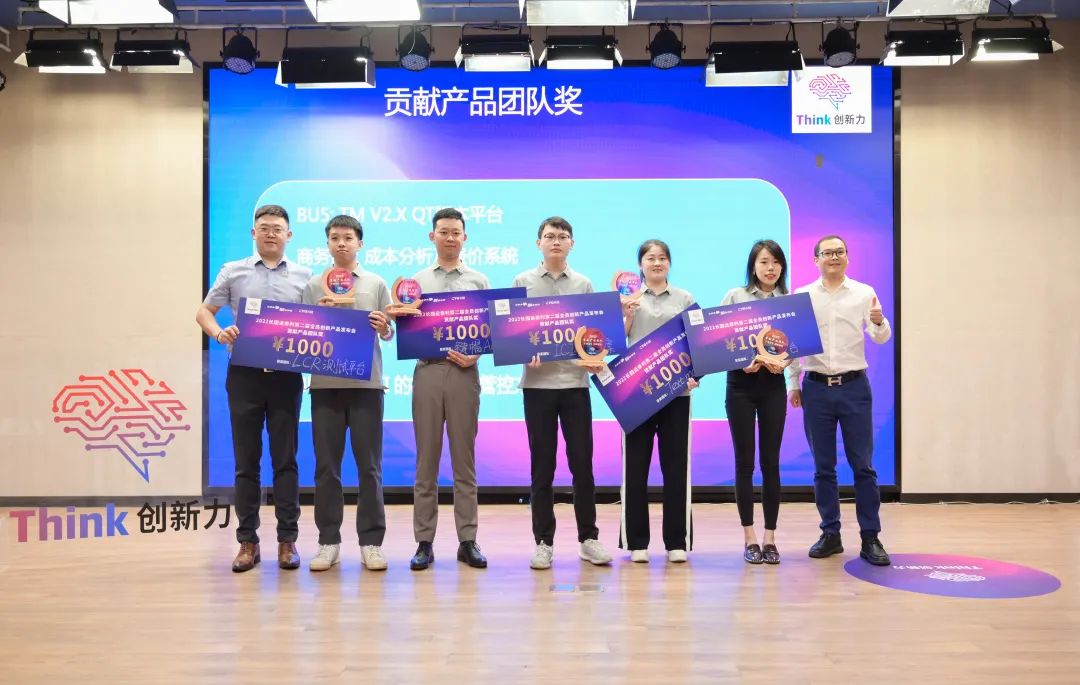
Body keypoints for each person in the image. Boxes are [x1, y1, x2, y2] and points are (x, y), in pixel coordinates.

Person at [196, 205, 312, 573]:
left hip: (286, 378)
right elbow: (204, 311)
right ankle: (247, 541)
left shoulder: (305, 276)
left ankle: (287, 540)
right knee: (246, 462)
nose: (271, 233)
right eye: (264, 227)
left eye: (277, 228)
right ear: (253, 233)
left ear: (288, 235)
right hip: (244, 375)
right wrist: (219, 333)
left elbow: (317, 323)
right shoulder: (234, 271)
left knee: (285, 461)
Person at [512, 216, 612, 570]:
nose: (556, 241)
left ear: (572, 243)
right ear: (538, 242)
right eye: (550, 236)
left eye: (563, 236)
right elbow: (512, 332)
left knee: (582, 465)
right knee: (542, 468)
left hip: (575, 385)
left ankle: (588, 539)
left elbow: (595, 333)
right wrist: (524, 350)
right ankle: (543, 542)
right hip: (537, 387)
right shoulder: (522, 282)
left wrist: (595, 356)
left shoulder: (584, 284)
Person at [786, 235, 892, 566]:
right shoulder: (802, 295)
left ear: (847, 257)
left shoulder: (863, 292)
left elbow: (881, 336)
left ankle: (870, 537)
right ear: (815, 259)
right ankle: (830, 533)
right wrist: (793, 383)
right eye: (827, 253)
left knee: (863, 465)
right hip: (816, 387)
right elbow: (794, 345)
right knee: (823, 466)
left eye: (840, 252)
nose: (834, 257)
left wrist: (879, 321)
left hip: (854, 387)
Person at [301, 215, 394, 573]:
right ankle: (329, 542)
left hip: (367, 386)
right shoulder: (313, 285)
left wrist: (384, 326)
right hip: (325, 385)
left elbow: (389, 332)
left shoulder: (376, 283)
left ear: (360, 243)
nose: (342, 243)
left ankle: (371, 542)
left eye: (348, 238)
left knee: (370, 468)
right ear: (327, 243)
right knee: (327, 468)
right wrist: (318, 318)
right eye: (335, 238)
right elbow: (303, 333)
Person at [406, 208, 490, 571]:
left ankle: (467, 540)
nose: (450, 237)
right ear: (432, 236)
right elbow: (408, 326)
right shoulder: (416, 282)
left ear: (464, 237)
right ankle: (424, 541)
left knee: (464, 461)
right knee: (426, 461)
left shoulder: (479, 281)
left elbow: (491, 329)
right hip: (427, 371)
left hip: (464, 374)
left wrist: (477, 353)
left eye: (456, 232)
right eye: (444, 231)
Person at [620, 239, 697, 564]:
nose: (656, 263)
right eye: (650, 258)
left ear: (669, 263)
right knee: (635, 468)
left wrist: (694, 374)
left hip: (677, 392)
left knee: (676, 467)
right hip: (636, 394)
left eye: (662, 258)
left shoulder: (684, 298)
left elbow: (697, 342)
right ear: (640, 264)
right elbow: (616, 342)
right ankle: (637, 541)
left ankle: (676, 541)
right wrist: (625, 315)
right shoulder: (627, 298)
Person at [720, 240, 790, 565]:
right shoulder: (735, 297)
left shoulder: (788, 301)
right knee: (744, 463)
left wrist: (785, 362)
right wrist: (739, 361)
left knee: (771, 463)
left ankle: (770, 538)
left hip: (773, 385)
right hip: (741, 387)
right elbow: (718, 342)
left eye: (775, 262)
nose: (770, 268)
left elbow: (796, 346)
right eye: (764, 262)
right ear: (753, 266)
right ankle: (749, 538)